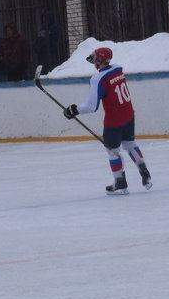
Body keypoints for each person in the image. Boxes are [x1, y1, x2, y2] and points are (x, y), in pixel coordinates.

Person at [63, 47, 152, 195]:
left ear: (99, 60)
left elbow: (92, 106)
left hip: (114, 121)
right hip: (128, 114)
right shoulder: (118, 69)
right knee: (130, 144)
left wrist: (74, 110)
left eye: (95, 58)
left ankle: (120, 182)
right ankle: (145, 173)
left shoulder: (98, 79)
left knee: (112, 151)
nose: (93, 61)